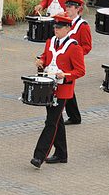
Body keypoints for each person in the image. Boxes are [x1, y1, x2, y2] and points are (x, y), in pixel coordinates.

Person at [30, 14, 86, 168]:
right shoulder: (50, 42)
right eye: (55, 27)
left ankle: (39, 155)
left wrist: (66, 75)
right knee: (57, 121)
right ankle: (62, 153)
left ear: (68, 29)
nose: (56, 30)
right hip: (48, 87)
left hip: (62, 90)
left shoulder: (74, 47)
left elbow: (80, 71)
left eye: (59, 28)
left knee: (51, 122)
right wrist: (41, 60)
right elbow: (46, 56)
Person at [61, 0, 92, 125]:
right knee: (68, 89)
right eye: (66, 6)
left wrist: (76, 54)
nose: (67, 9)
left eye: (70, 7)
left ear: (78, 9)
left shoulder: (82, 26)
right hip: (62, 60)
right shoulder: (63, 22)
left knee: (67, 87)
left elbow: (87, 46)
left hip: (73, 62)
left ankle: (74, 116)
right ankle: (75, 116)